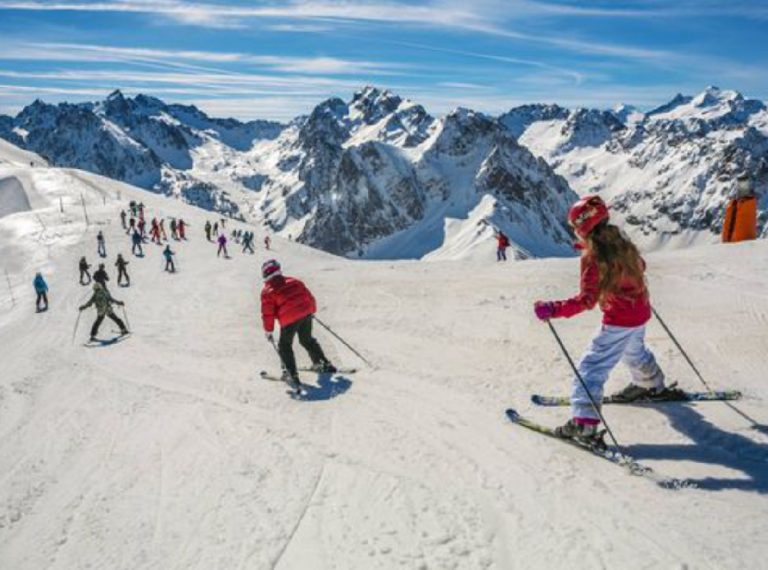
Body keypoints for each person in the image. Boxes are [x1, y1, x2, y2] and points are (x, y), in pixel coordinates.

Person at [532, 195, 673, 443]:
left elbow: (586, 300)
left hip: (619, 319)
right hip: (640, 312)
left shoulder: (593, 257)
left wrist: (553, 309)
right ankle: (649, 383)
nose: (575, 233)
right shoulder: (623, 243)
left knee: (591, 368)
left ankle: (584, 423)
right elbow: (641, 265)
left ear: (583, 226)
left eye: (575, 227)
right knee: (634, 350)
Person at [260, 259, 336, 388]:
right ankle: (322, 363)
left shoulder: (267, 291)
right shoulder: (295, 281)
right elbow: (309, 297)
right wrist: (311, 311)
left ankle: (291, 373)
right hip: (306, 314)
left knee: (284, 345)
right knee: (307, 339)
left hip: (289, 319)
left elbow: (268, 314)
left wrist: (268, 330)